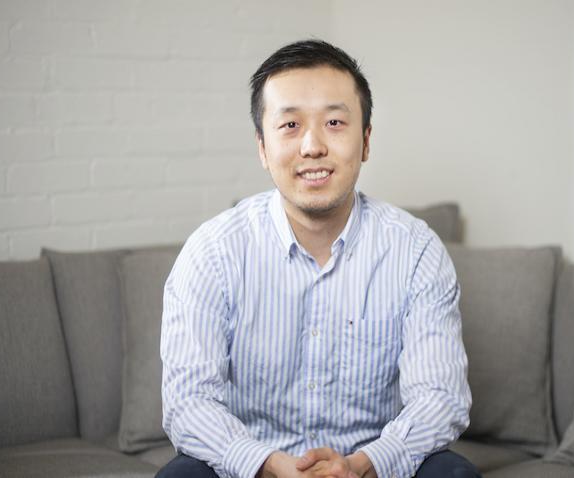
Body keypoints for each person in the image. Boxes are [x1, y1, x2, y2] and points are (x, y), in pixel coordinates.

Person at [157, 40, 479, 478]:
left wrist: (364, 464)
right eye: (289, 125)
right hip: (253, 467)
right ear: (262, 148)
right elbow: (188, 403)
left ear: (365, 141)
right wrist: (268, 465)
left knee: (453, 474)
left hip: (372, 467)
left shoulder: (415, 250)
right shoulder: (212, 252)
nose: (312, 146)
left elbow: (440, 398)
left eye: (333, 122)